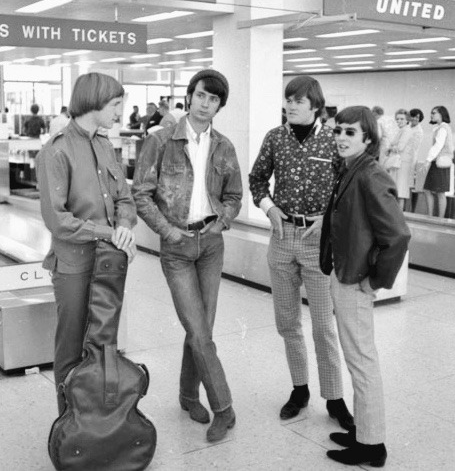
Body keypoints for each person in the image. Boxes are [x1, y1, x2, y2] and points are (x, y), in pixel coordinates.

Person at [132, 69, 242, 443]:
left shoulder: (224, 146)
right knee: (198, 329)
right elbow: (141, 193)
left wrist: (222, 221)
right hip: (177, 247)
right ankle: (224, 409)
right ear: (188, 97)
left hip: (211, 244)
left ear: (219, 106)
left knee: (200, 330)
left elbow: (234, 195)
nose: (204, 103)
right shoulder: (161, 141)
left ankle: (186, 395)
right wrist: (167, 230)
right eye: (199, 96)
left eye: (212, 99)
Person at [249, 75, 353, 430]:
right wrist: (268, 208)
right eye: (287, 99)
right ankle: (299, 389)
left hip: (318, 243)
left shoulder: (333, 140)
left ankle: (335, 397)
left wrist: (328, 218)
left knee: (324, 325)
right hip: (281, 237)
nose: (290, 105)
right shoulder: (275, 138)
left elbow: (348, 187)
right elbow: (257, 179)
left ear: (315, 106)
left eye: (297, 100)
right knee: (287, 322)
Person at [36, 72, 137, 414]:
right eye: (114, 105)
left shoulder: (105, 145)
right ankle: (70, 425)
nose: (119, 113)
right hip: (74, 265)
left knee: (104, 345)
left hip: (108, 263)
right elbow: (57, 220)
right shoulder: (57, 151)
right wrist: (109, 233)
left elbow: (124, 197)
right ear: (93, 103)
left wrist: (123, 226)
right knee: (71, 348)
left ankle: (99, 424)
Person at [320, 106, 411, 467]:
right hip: (344, 273)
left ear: (368, 139)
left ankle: (372, 446)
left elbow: (398, 235)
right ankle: (363, 432)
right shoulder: (350, 169)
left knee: (361, 361)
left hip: (356, 280)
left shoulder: (370, 175)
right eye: (338, 130)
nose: (341, 137)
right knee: (358, 357)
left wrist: (375, 280)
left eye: (350, 133)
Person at [422, 105, 454, 218]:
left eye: (434, 113)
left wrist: (428, 160)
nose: (431, 115)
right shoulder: (439, 128)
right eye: (431, 112)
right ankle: (431, 216)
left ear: (441, 114)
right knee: (428, 189)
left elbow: (438, 145)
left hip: (440, 163)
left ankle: (439, 219)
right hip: (437, 162)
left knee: (440, 192)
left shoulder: (443, 128)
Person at [385, 109, 412, 210]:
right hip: (398, 163)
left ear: (407, 119)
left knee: (400, 191)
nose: (399, 121)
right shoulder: (401, 130)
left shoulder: (407, 130)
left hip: (402, 164)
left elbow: (400, 147)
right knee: (397, 190)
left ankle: (399, 215)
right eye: (397, 119)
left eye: (402, 119)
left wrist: (389, 148)